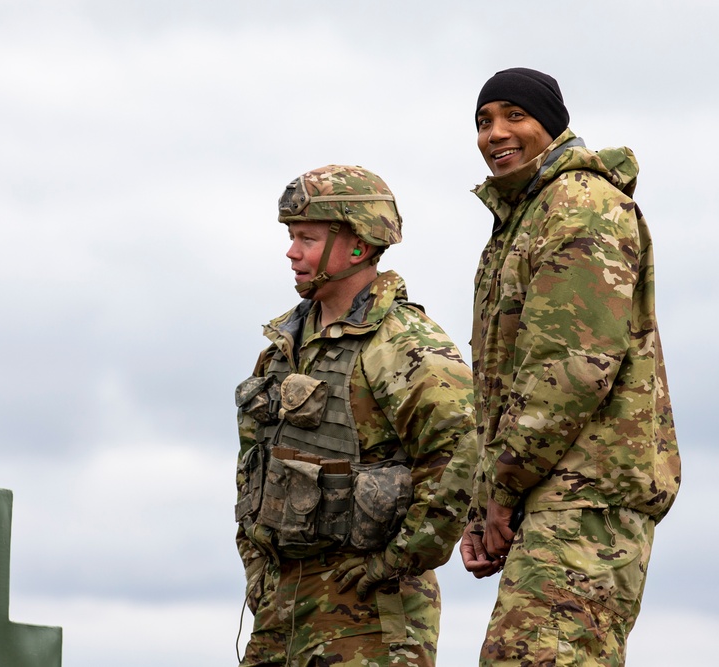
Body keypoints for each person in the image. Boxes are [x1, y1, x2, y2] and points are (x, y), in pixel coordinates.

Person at [459, 67, 681, 666]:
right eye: (483, 121)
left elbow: (572, 370)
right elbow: (503, 385)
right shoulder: (523, 218)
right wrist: (484, 508)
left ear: (551, 126)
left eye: (514, 115)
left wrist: (502, 487)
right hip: (548, 492)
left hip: (588, 499)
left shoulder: (580, 205)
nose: (495, 133)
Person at [234, 164, 476, 667]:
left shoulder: (405, 344)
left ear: (359, 246)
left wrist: (396, 560)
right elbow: (253, 462)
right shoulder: (283, 345)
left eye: (307, 238)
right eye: (291, 236)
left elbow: (461, 455)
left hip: (369, 614)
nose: (291, 252)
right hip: (280, 609)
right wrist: (257, 565)